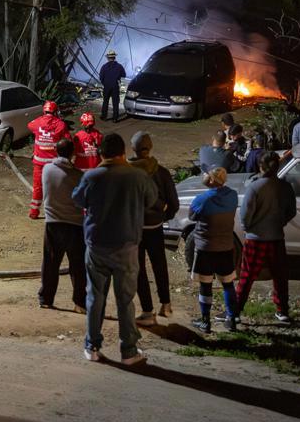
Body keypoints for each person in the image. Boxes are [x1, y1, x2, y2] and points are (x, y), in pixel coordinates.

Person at [71, 132, 157, 365]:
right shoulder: (138, 176)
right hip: (127, 246)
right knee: (125, 300)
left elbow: (78, 199)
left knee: (95, 297)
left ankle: (92, 346)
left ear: (101, 153)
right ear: (124, 152)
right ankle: (128, 351)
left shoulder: (92, 176)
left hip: (97, 245)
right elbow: (151, 201)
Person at [235, 152, 298, 323]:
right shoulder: (285, 187)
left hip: (256, 238)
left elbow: (245, 215)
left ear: (260, 166)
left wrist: (248, 228)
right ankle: (282, 310)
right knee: (280, 276)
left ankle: (235, 311)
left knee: (247, 276)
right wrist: (281, 222)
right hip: (276, 237)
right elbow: (291, 211)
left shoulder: (255, 187)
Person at [129, 130, 179, 325]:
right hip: (156, 226)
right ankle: (166, 305)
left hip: (134, 228)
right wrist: (163, 216)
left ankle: (147, 311)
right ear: (150, 148)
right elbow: (174, 203)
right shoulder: (162, 172)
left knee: (139, 269)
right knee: (160, 265)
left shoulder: (127, 172)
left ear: (132, 148)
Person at [188, 166, 239, 332]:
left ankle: (205, 321)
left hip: (206, 247)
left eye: (206, 174)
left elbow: (191, 216)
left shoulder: (201, 199)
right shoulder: (233, 195)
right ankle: (231, 319)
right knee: (228, 283)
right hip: (226, 246)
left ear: (211, 180)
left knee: (205, 284)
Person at [39, 137, 87, 313]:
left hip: (53, 223)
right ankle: (80, 303)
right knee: (78, 266)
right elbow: (83, 200)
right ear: (73, 153)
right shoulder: (79, 176)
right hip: (75, 225)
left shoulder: (47, 169)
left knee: (50, 263)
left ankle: (46, 299)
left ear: (56, 150)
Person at [27, 101, 70, 219]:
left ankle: (34, 212)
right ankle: (52, 213)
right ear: (55, 111)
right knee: (53, 188)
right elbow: (68, 140)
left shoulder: (37, 122)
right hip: (53, 164)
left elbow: (30, 125)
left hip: (39, 163)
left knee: (37, 187)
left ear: (44, 111)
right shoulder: (60, 124)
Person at [98, 50, 126, 121]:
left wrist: (105, 83)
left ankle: (104, 117)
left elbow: (101, 77)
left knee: (105, 102)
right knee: (115, 102)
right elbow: (124, 75)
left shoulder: (104, 66)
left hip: (107, 86)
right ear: (114, 57)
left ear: (108, 58)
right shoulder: (119, 66)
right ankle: (115, 118)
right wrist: (117, 77)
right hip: (115, 86)